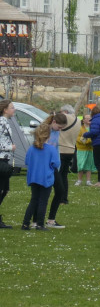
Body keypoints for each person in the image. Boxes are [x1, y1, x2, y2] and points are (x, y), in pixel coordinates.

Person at [21, 122, 60, 231]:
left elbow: (27, 161)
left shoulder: (31, 148)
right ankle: (40, 224)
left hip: (33, 177)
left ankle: (25, 223)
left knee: (34, 200)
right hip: (46, 178)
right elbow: (56, 163)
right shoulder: (51, 149)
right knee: (43, 201)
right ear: (48, 135)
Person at [0, 99, 18, 229]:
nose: (14, 109)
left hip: (5, 159)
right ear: (5, 110)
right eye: (11, 107)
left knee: (4, 189)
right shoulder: (1, 122)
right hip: (1, 159)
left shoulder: (6, 122)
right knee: (2, 189)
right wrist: (9, 147)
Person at [75, 113, 96, 186]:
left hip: (90, 149)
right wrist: (87, 141)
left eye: (90, 118)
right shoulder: (80, 128)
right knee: (80, 165)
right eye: (87, 118)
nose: (89, 119)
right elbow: (78, 138)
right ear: (83, 120)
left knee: (89, 165)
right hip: (81, 149)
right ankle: (79, 180)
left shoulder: (92, 128)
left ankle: (88, 181)